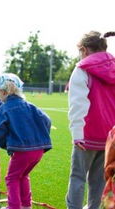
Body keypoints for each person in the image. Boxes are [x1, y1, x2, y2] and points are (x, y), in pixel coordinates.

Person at [66, 31, 115, 209]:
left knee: (78, 177)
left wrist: (77, 134)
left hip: (87, 135)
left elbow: (78, 105)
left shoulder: (82, 69)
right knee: (98, 180)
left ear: (84, 50)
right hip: (111, 137)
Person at [0, 73, 52, 209]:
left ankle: (14, 206)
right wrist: (41, 139)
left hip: (22, 151)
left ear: (4, 92)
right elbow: (47, 120)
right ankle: (26, 205)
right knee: (23, 175)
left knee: (11, 178)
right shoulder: (31, 106)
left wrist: (6, 143)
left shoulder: (4, 108)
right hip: (38, 151)